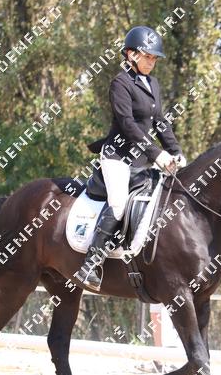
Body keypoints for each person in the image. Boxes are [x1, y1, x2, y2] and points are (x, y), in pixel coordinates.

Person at [75, 25, 186, 291]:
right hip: (117, 157)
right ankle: (90, 265)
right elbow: (127, 124)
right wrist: (156, 153)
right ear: (131, 54)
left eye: (154, 58)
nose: (152, 62)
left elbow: (160, 122)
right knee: (118, 204)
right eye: (147, 57)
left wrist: (175, 151)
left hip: (140, 162)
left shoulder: (153, 84)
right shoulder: (120, 83)